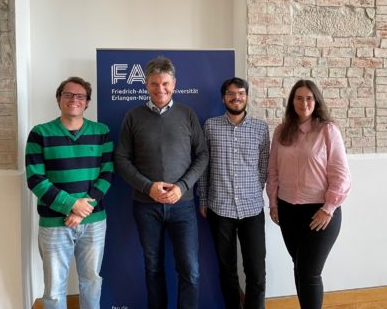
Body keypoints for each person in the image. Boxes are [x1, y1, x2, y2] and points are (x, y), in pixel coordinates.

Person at [114, 56, 208, 309]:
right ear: (146, 84)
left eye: (165, 83)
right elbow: (121, 159)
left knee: (190, 270)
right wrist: (148, 187)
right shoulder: (133, 116)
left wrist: (182, 186)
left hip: (184, 206)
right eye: (154, 84)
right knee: (153, 268)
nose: (160, 89)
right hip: (146, 206)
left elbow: (202, 155)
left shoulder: (187, 114)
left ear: (174, 84)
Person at [25, 76, 114, 309]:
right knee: (54, 289)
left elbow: (107, 173)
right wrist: (71, 206)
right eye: (68, 94)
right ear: (58, 99)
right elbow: (35, 179)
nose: (74, 99)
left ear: (87, 103)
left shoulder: (101, 132)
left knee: (91, 281)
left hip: (94, 222)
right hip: (54, 223)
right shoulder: (40, 133)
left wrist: (83, 209)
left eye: (80, 96)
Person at [267, 79, 351, 309]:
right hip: (287, 211)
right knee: (299, 266)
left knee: (309, 272)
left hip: (319, 212)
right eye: (298, 97)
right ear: (292, 101)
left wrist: (328, 209)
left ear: (316, 101)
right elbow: (273, 171)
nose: (304, 102)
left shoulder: (327, 130)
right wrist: (273, 204)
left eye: (309, 98)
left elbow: (341, 175)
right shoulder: (281, 130)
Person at [198, 77, 270, 309]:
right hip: (220, 208)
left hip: (252, 209)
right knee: (227, 269)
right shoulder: (210, 126)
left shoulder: (260, 128)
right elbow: (204, 166)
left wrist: (252, 191)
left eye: (241, 93)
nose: (236, 97)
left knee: (256, 271)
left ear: (247, 97)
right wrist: (203, 199)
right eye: (231, 93)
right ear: (223, 97)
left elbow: (263, 167)